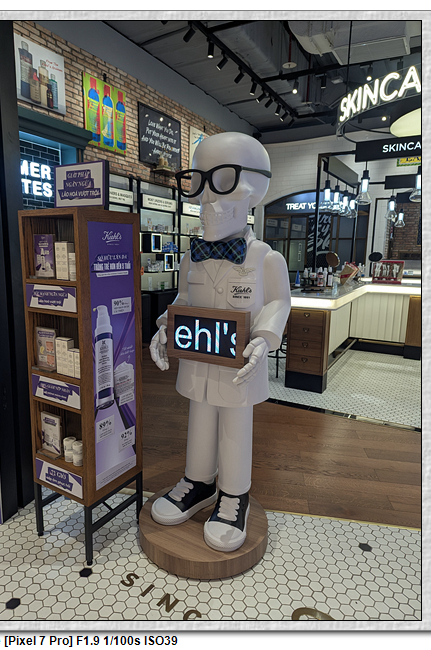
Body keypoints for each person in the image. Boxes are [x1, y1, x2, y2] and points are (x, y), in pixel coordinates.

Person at [149, 132, 291, 552]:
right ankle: (197, 482)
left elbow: (280, 301)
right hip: (198, 356)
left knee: (235, 425)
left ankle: (234, 495)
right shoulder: (191, 257)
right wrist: (165, 326)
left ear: (252, 193)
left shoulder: (265, 258)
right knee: (199, 419)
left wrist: (265, 337)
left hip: (239, 362)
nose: (208, 202)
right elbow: (183, 299)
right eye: (199, 186)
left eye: (223, 186)